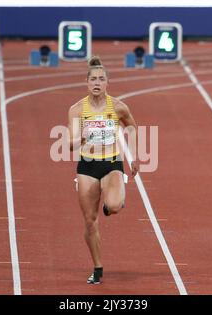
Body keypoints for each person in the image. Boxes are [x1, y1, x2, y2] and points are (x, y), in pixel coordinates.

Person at [68, 56, 139, 284]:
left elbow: (133, 127)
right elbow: (69, 143)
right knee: (90, 220)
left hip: (111, 164)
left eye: (101, 79)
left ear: (107, 82)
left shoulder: (118, 107)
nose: (97, 83)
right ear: (87, 82)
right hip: (87, 166)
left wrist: (134, 156)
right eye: (93, 79)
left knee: (115, 205)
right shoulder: (77, 109)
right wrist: (83, 136)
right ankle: (97, 268)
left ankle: (111, 205)